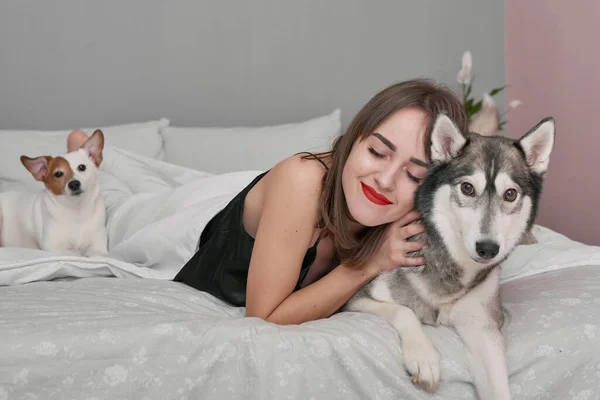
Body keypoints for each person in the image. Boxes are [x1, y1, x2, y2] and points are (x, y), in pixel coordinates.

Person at [67, 78, 468, 326]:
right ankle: (91, 154)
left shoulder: (422, 210)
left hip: (258, 202)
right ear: (354, 138)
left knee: (165, 183)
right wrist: (371, 263)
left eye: (415, 174)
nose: (385, 180)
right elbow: (265, 317)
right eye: (377, 152)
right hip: (192, 224)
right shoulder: (303, 179)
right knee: (120, 210)